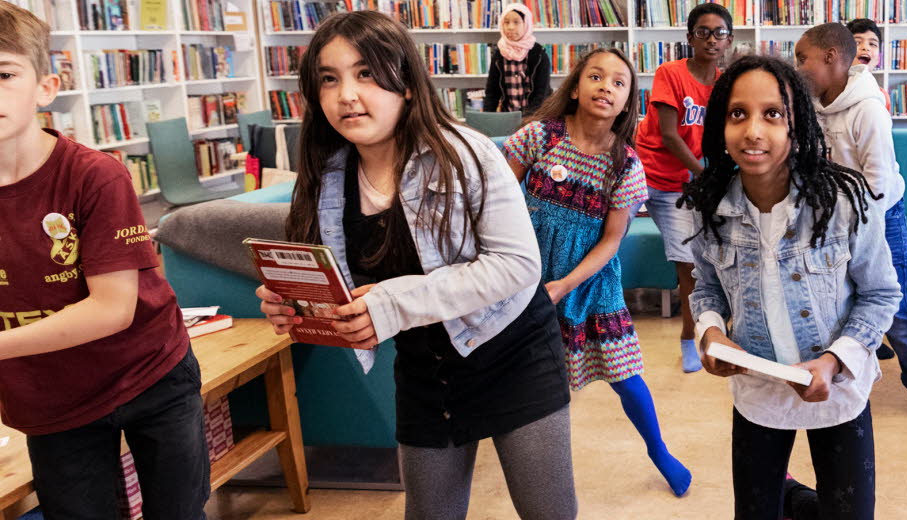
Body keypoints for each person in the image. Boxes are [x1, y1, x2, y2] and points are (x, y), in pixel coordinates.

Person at [258, 11, 576, 519]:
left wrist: (389, 302)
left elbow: (517, 265)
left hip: (512, 353)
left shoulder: (465, 153)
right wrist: (297, 304)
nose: (346, 95)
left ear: (405, 82)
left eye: (365, 74)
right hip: (425, 372)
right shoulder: (325, 175)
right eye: (329, 79)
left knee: (549, 512)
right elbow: (342, 281)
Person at [0, 4, 209, 519]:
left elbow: (113, 309)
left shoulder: (98, 175)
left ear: (46, 88)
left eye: (4, 74)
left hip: (150, 374)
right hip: (50, 399)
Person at [682, 54, 900, 520]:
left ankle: (797, 498)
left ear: (797, 126)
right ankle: (791, 495)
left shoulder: (842, 201)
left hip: (837, 388)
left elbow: (881, 294)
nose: (753, 131)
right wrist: (711, 331)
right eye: (738, 114)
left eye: (772, 114)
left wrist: (834, 359)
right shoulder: (709, 207)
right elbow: (707, 290)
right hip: (760, 394)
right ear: (720, 125)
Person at [504, 48, 693, 498]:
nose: (605, 86)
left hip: (591, 280)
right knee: (519, 370)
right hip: (526, 271)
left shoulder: (625, 164)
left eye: (618, 82)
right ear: (575, 86)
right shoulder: (539, 137)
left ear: (628, 102)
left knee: (625, 371)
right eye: (595, 77)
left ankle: (658, 449)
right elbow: (499, 202)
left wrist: (566, 284)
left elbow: (611, 240)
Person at [794, 23, 907, 427]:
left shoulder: (868, 109)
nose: (797, 67)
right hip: (833, 217)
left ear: (830, 58)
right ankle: (843, 378)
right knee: (835, 303)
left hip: (879, 216)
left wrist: (854, 236)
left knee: (894, 310)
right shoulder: (810, 104)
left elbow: (878, 184)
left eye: (801, 58)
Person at [633, 3, 733, 373]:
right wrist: (704, 174)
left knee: (688, 266)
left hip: (680, 186)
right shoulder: (669, 72)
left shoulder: (725, 84)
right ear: (690, 37)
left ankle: (690, 337)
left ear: (729, 40)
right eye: (703, 31)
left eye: (719, 32)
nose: (711, 38)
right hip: (642, 174)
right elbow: (672, 136)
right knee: (599, 243)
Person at [484, 2, 552, 115]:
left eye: (516, 22)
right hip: (508, 118)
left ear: (526, 24)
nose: (510, 27)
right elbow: (492, 92)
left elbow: (541, 94)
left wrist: (526, 121)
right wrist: (487, 119)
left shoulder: (539, 54)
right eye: (506, 22)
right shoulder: (499, 54)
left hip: (536, 118)